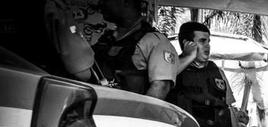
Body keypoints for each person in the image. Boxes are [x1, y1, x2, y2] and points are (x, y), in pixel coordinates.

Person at [46, 0, 191, 100]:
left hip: (125, 121)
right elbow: (87, 72)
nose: (101, 3)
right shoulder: (108, 38)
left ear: (126, 2)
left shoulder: (154, 41)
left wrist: (135, 121)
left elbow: (160, 87)